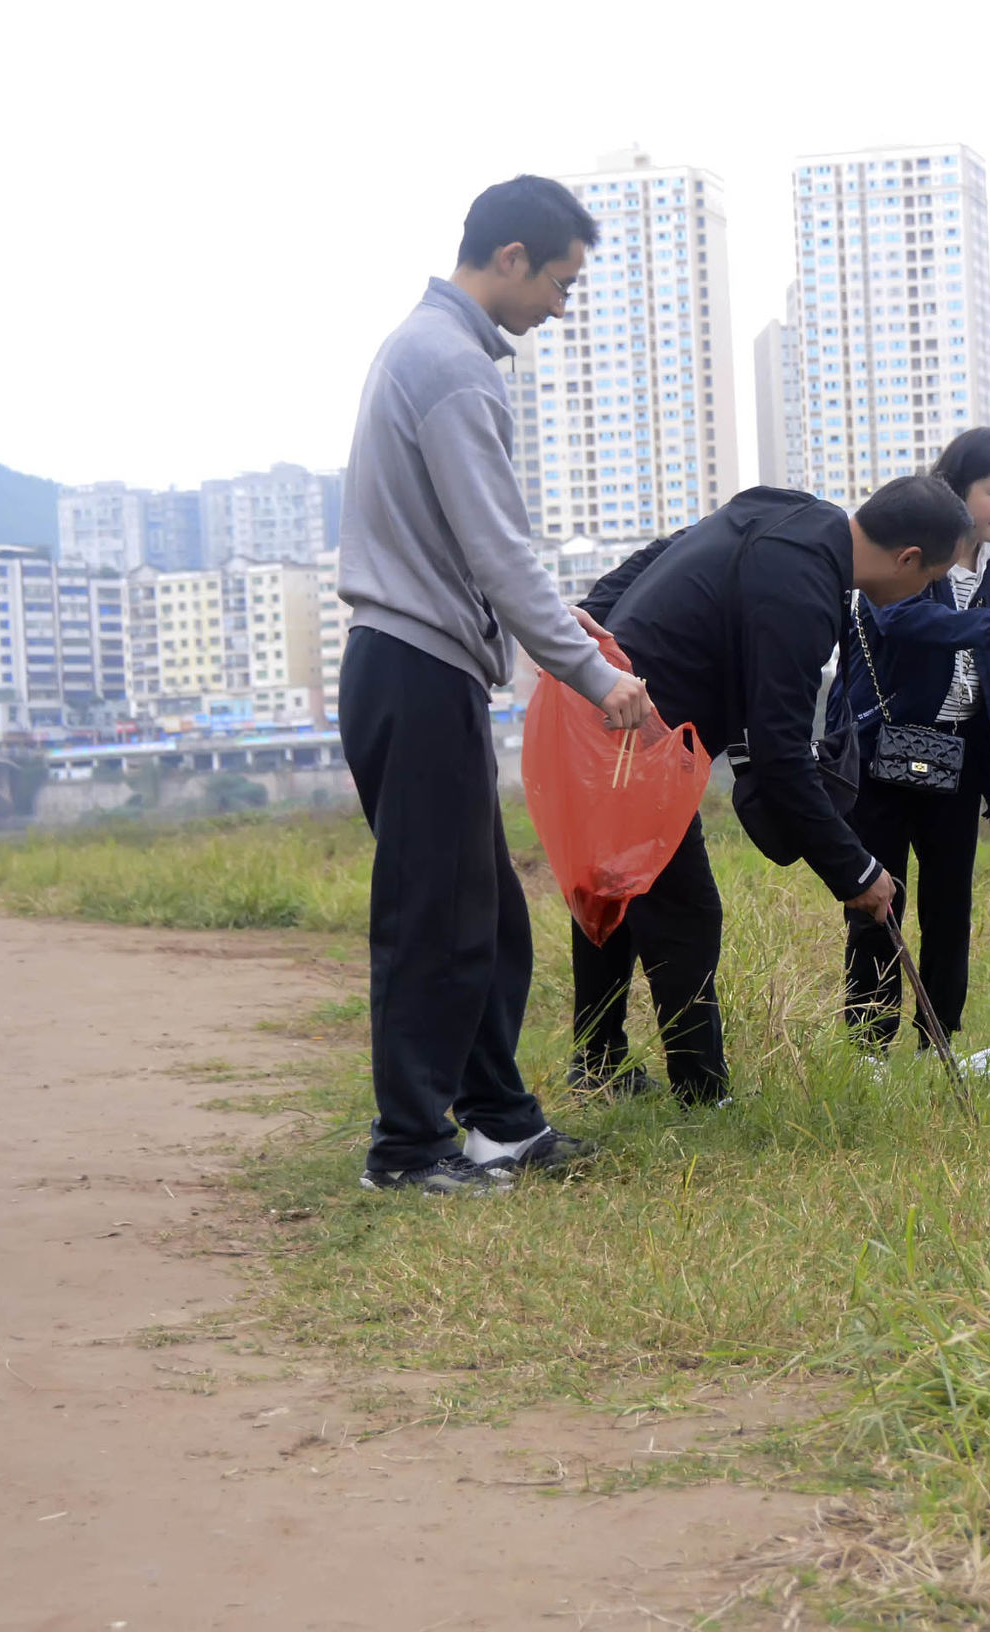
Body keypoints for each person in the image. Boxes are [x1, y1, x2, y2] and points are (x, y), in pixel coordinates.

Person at [336, 175, 652, 1196]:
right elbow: (501, 555)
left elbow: (487, 559)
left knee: (485, 918)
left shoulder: (432, 352)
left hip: (417, 667)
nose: (562, 304)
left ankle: (502, 1125)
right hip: (414, 667)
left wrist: (565, 639)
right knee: (435, 921)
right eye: (560, 281)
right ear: (510, 257)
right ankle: (408, 1150)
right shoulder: (453, 368)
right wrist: (598, 677)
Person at [563, 477, 973, 1103]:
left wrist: (587, 642)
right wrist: (858, 871)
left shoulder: (794, 514)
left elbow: (666, 551)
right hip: (634, 734)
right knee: (686, 910)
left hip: (605, 715)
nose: (922, 591)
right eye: (929, 579)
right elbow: (782, 757)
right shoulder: (806, 592)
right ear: (907, 559)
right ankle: (703, 1096)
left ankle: (597, 1066)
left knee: (619, 884)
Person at [837, 429, 990, 1053]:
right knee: (877, 903)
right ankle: (869, 1048)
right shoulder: (912, 549)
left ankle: (940, 1041)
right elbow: (896, 615)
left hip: (959, 757)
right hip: (883, 755)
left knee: (950, 906)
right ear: (959, 490)